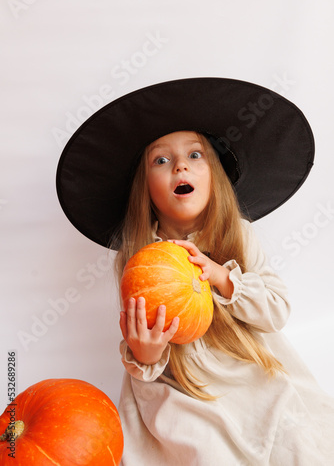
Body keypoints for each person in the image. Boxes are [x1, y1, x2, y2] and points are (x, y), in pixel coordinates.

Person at [56, 78, 333, 465]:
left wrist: (223, 278)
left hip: (246, 370)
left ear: (215, 176)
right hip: (182, 386)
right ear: (145, 188)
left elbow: (277, 312)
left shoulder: (239, 234)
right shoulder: (139, 258)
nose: (180, 165)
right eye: (162, 160)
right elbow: (145, 342)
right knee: (203, 450)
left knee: (301, 438)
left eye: (195, 155)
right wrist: (147, 351)